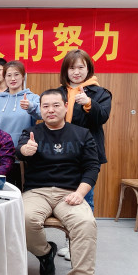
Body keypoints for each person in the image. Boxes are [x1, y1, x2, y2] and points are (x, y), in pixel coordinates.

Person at [16, 89, 100, 275]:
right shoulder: (31, 132)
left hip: (70, 193)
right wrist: (25, 150)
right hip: (37, 191)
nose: (50, 110)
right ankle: (45, 253)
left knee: (85, 223)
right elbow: (19, 151)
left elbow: (92, 167)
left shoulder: (82, 134)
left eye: (56, 105)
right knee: (23, 218)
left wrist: (80, 193)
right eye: (45, 106)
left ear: (65, 107)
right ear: (40, 109)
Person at [56, 49, 112, 260]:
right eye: (72, 68)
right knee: (67, 200)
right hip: (63, 153)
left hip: (88, 154)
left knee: (85, 199)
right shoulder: (59, 92)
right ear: (66, 70)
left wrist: (88, 103)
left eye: (81, 67)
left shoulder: (101, 93)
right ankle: (69, 241)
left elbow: (102, 117)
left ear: (89, 69)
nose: (76, 72)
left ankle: (81, 245)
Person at [0, 60, 41, 188]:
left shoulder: (32, 98)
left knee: (23, 190)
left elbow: (42, 114)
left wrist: (31, 106)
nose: (13, 79)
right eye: (9, 75)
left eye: (16, 74)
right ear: (4, 78)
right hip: (3, 156)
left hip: (25, 155)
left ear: (23, 76)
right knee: (3, 191)